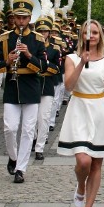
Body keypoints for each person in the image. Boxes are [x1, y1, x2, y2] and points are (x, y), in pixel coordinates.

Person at [57, 19, 104, 207]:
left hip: (101, 111)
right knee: (83, 161)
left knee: (96, 163)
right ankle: (80, 186)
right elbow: (68, 86)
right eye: (88, 33)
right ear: (81, 36)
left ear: (100, 36)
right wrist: (81, 63)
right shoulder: (70, 58)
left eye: (95, 32)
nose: (91, 36)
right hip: (78, 109)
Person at [0, 0, 47, 183]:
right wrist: (8, 61)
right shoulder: (5, 38)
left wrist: (28, 54)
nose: (21, 21)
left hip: (31, 87)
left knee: (27, 130)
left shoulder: (37, 39)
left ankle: (21, 169)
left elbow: (42, 67)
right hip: (11, 85)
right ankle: (13, 156)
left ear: (29, 18)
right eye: (18, 17)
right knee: (9, 128)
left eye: (25, 17)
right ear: (14, 18)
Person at [33, 14, 61, 161]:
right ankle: (34, 138)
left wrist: (44, 66)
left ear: (49, 33)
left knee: (44, 117)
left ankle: (40, 147)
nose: (43, 34)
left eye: (45, 31)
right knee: (32, 118)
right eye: (40, 31)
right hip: (32, 84)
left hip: (47, 84)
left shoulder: (55, 48)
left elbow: (57, 68)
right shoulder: (31, 45)